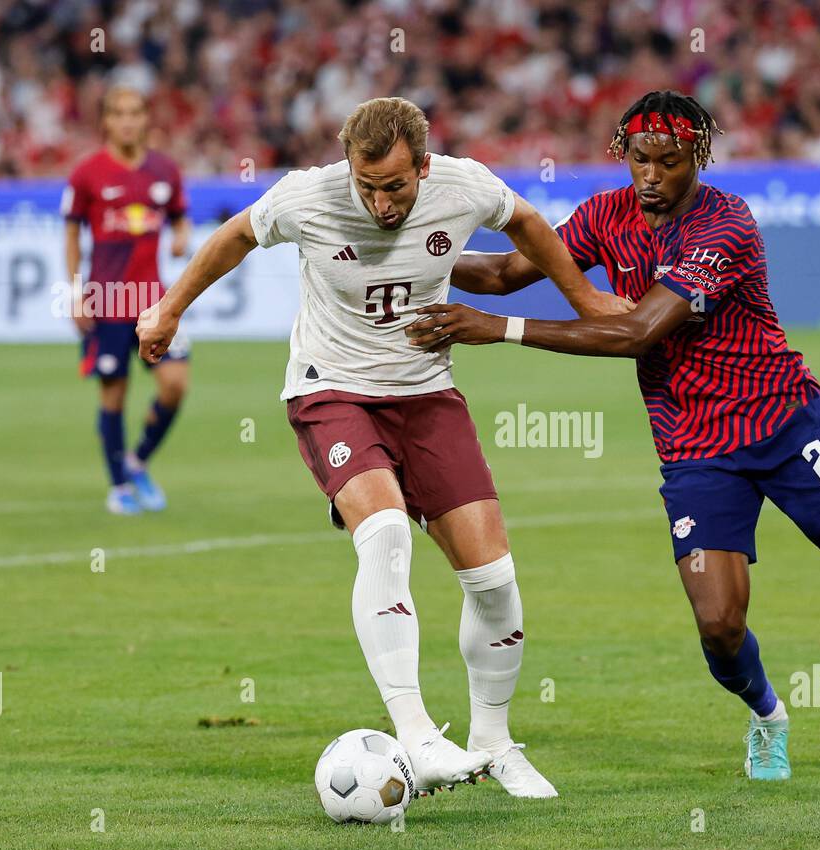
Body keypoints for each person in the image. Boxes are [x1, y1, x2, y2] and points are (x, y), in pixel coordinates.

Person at [408, 90, 820, 785]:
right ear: (623, 154)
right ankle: (767, 716)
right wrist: (413, 250)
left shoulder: (725, 222)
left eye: (668, 162)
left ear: (697, 157)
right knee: (720, 627)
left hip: (787, 421)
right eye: (640, 159)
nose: (652, 176)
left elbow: (638, 330)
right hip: (695, 448)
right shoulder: (604, 216)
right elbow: (505, 272)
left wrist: (498, 329)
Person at [136, 96, 628, 797]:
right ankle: (418, 734)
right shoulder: (309, 196)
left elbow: (524, 221)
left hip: (426, 394)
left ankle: (492, 743)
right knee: (387, 531)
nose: (380, 201)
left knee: (494, 583)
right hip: (330, 389)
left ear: (423, 168)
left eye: (394, 186)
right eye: (366, 186)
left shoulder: (464, 184)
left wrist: (581, 296)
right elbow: (236, 236)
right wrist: (170, 307)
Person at [64, 86, 191, 515]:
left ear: (146, 118)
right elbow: (70, 233)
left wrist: (181, 236)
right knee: (113, 396)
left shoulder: (165, 170)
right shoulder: (88, 173)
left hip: (154, 301)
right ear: (105, 121)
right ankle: (118, 486)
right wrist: (76, 290)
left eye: (136, 112)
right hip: (107, 301)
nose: (128, 121)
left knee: (175, 384)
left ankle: (137, 461)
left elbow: (179, 215)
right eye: (119, 113)